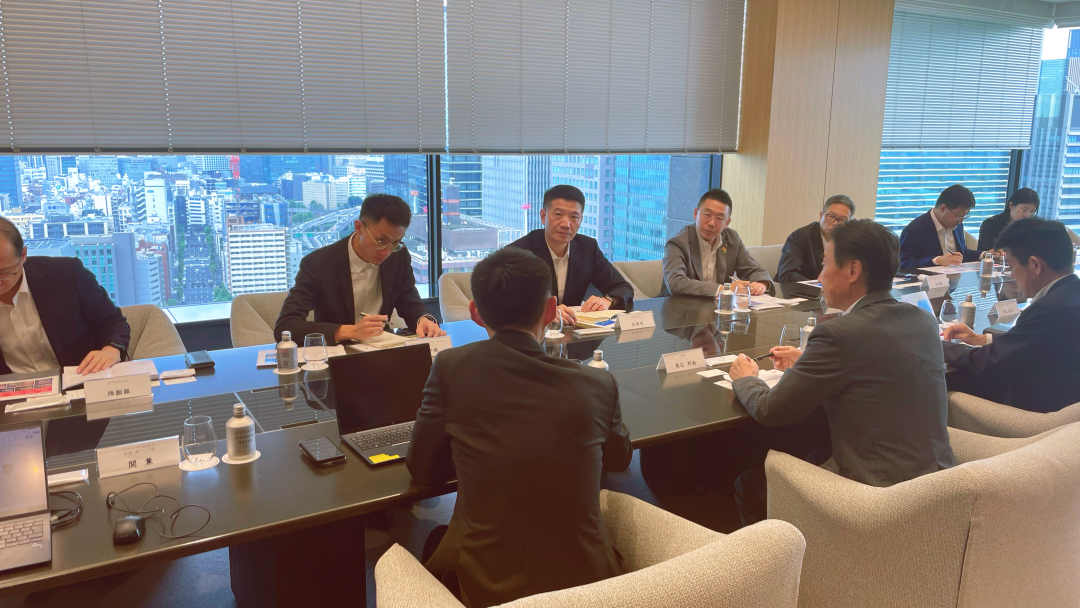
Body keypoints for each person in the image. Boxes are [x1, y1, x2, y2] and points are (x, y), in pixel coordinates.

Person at [407, 246, 632, 608]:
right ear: (551, 309)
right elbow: (620, 460)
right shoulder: (598, 383)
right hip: (588, 585)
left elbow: (423, 469)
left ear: (475, 313)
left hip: (486, 588)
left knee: (435, 540)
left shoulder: (451, 368)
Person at [728, 219, 955, 525]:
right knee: (813, 453)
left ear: (852, 270)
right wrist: (809, 361)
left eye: (825, 265)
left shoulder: (839, 333)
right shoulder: (923, 320)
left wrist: (747, 379)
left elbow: (771, 410)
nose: (820, 277)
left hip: (875, 495)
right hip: (937, 487)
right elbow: (877, 368)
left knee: (749, 484)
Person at [942, 218, 1080, 413]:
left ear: (1035, 265)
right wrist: (982, 339)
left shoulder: (1049, 308)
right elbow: (1038, 341)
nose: (1012, 276)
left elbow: (987, 363)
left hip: (1041, 412)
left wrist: (937, 345)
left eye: (1013, 267)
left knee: (941, 385)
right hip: (1067, 401)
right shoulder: (1070, 293)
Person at [275, 194, 445, 345]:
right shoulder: (318, 264)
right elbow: (286, 326)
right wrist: (350, 331)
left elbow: (408, 301)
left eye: (395, 242)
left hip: (382, 350)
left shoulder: (398, 255)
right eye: (381, 240)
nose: (386, 252)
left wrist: (423, 319)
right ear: (358, 227)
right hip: (337, 355)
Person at [0, 217, 130, 376]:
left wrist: (111, 350)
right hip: (14, 389)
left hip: (80, 380)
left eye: (4, 272)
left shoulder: (66, 274)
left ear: (23, 255)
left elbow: (114, 322)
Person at [508, 184, 633, 327]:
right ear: (543, 216)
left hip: (574, 333)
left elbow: (622, 287)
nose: (566, 224)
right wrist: (541, 310)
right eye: (558, 214)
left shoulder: (588, 248)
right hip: (532, 334)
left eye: (574, 217)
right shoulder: (518, 253)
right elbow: (502, 301)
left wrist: (607, 300)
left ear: (580, 220)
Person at [660, 188, 771, 298]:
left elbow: (754, 270)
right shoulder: (677, 243)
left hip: (717, 306)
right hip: (679, 306)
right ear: (695, 214)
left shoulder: (732, 239)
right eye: (707, 214)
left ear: (727, 223)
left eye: (719, 218)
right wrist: (725, 289)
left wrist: (761, 284)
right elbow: (676, 283)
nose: (711, 223)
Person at [899, 184, 983, 269]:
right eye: (959, 215)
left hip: (955, 275)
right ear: (942, 208)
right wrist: (937, 260)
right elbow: (904, 263)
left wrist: (983, 255)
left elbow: (962, 252)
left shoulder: (957, 225)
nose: (961, 220)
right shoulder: (914, 230)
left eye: (964, 216)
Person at [776, 194, 855, 282]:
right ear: (821, 216)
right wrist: (818, 286)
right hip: (797, 289)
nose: (835, 223)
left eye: (842, 220)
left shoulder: (851, 242)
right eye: (831, 216)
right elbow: (787, 274)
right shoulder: (800, 237)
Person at [976, 188, 1039, 252]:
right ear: (1011, 206)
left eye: (1031, 212)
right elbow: (993, 251)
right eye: (1024, 210)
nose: (1027, 215)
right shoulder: (991, 224)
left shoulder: (1031, 229)